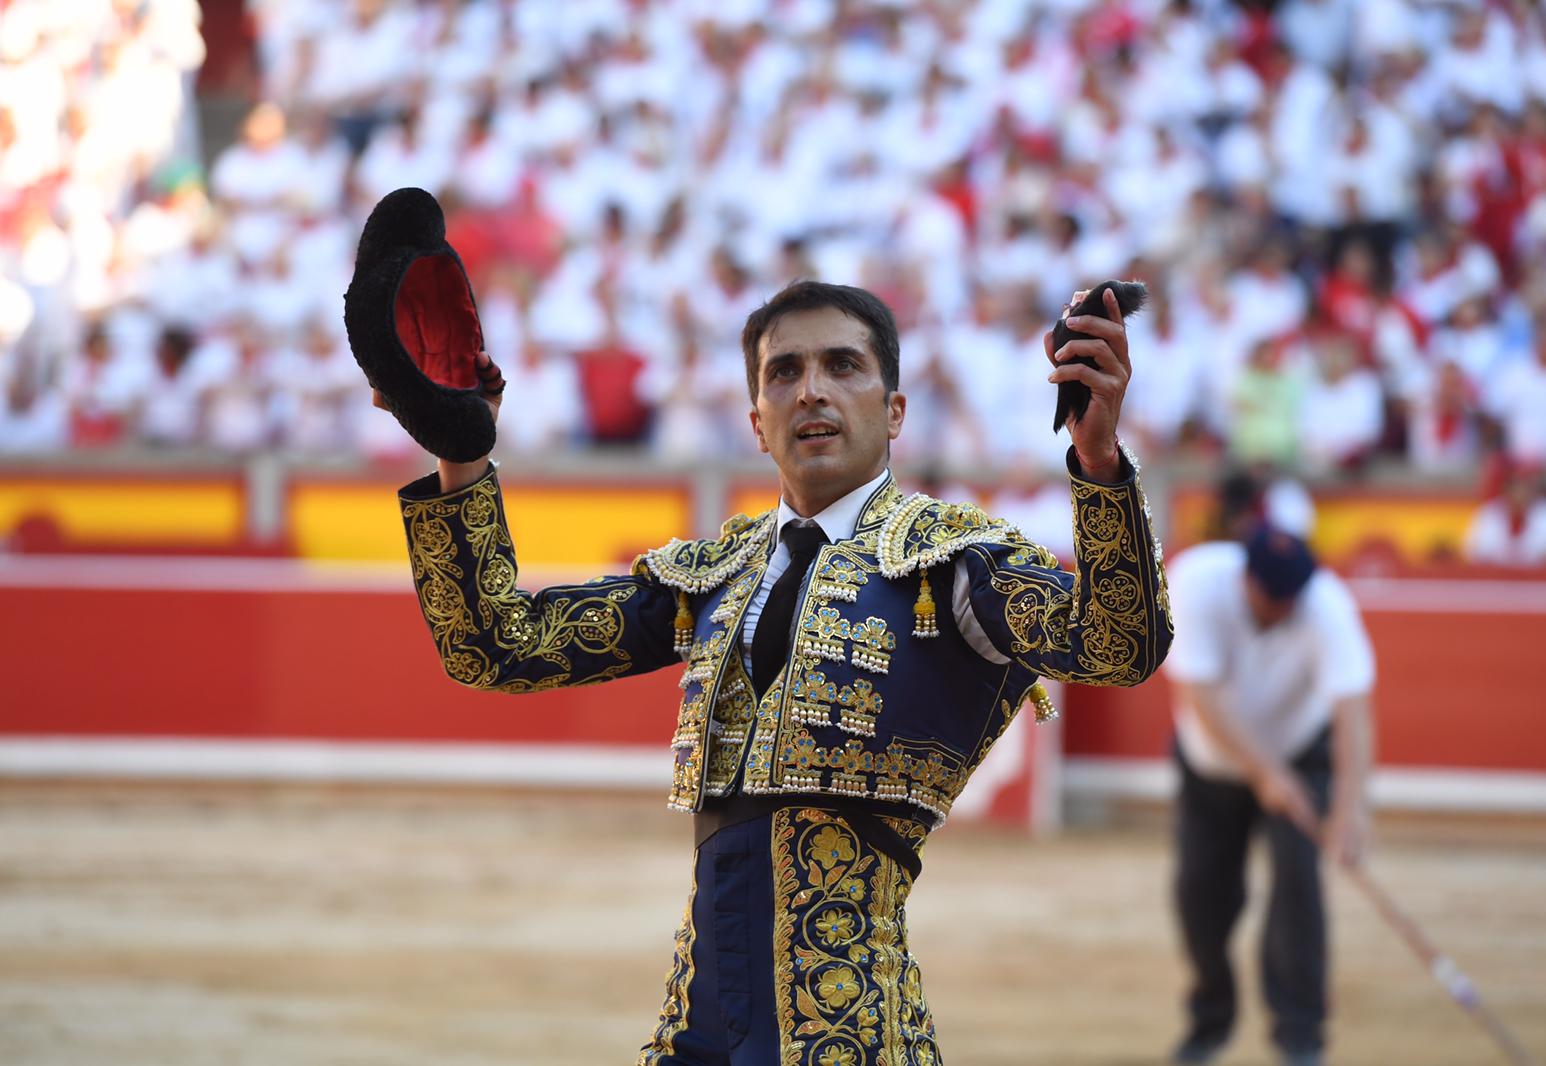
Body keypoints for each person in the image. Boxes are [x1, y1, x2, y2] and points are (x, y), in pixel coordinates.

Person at [382, 280, 1172, 1064]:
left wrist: (1098, 462)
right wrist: (462, 455)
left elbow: (1117, 645)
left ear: (894, 411)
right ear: (757, 423)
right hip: (696, 1023)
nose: (812, 391)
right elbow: (498, 648)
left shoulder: (954, 559)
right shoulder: (716, 569)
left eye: (843, 366)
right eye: (784, 373)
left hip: (852, 1033)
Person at [1164, 525, 1375, 1066]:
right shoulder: (1196, 582)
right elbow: (1201, 697)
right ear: (1246, 578)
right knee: (1200, 897)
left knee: (1298, 889)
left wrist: (1350, 811)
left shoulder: (1326, 606)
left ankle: (1300, 1037)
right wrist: (1265, 773)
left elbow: (1352, 713)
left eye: (1291, 599)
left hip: (1302, 753)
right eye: (1272, 597)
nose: (1282, 609)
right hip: (1211, 765)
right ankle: (1210, 1020)